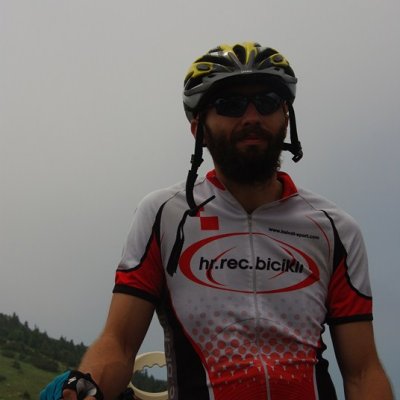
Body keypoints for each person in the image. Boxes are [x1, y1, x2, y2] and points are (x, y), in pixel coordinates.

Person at [40, 42, 393, 400]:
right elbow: (119, 343)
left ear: (286, 118)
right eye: (230, 105)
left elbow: (363, 371)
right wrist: (84, 387)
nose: (252, 116)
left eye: (267, 102)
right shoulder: (165, 214)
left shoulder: (334, 228)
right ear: (199, 129)